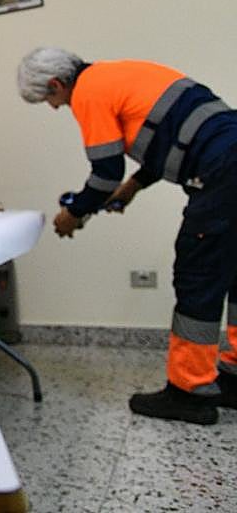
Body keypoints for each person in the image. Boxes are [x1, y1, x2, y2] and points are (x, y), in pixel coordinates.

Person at [17, 47, 237, 425]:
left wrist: (73, 213)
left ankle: (189, 393)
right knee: (234, 272)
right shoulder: (119, 73)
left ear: (56, 84)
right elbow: (172, 132)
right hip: (230, 153)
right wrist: (134, 186)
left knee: (197, 275)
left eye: (49, 100)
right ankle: (233, 378)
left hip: (220, 173)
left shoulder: (87, 93)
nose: (54, 108)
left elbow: (104, 173)